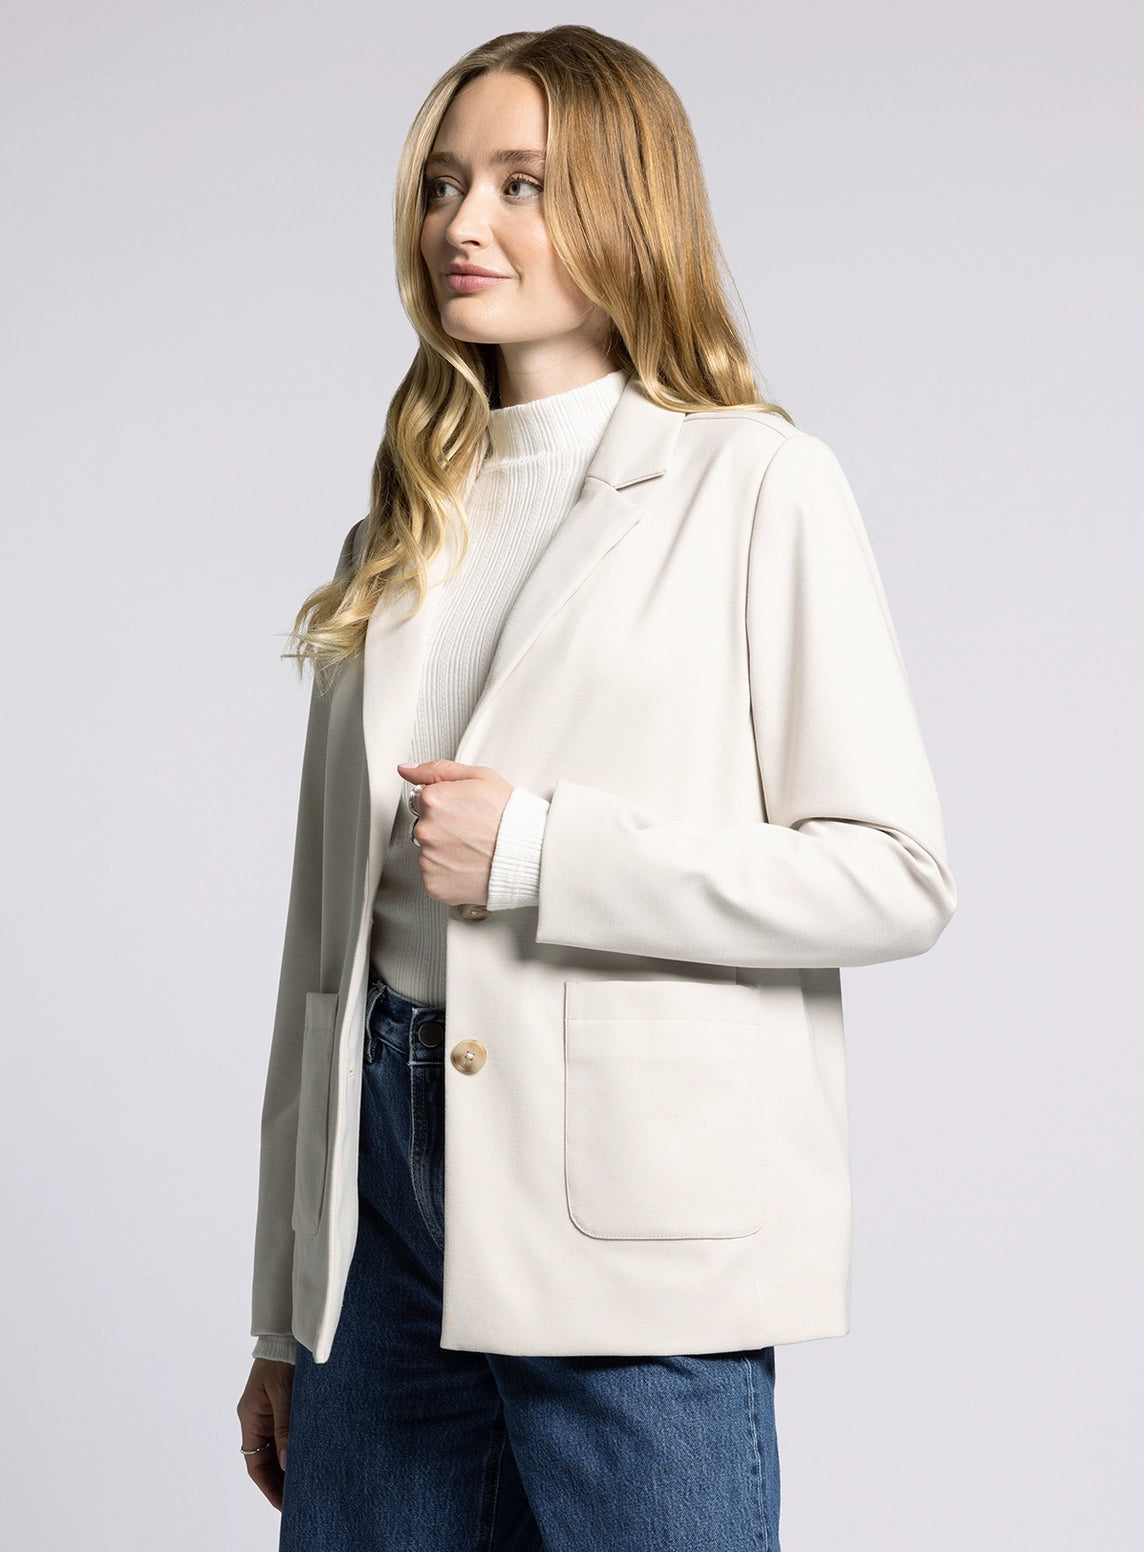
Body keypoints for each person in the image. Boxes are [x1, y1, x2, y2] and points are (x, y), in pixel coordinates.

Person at [235, 22, 956, 1551]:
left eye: (522, 184)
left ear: (629, 206)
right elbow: (321, 953)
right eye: (445, 183)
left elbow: (893, 874)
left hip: (631, 1205)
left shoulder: (754, 482)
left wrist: (541, 855)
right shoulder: (402, 522)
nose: (462, 222)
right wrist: (284, 1313)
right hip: (378, 1215)